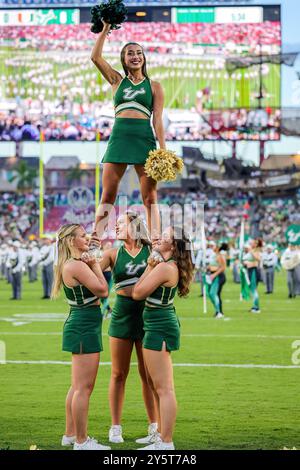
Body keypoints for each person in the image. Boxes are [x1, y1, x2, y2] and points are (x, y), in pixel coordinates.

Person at [91, 20, 165, 239]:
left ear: (144, 57)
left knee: (150, 197)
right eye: (130, 53)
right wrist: (105, 29)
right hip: (120, 138)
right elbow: (95, 58)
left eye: (139, 53)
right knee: (108, 195)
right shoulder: (116, 81)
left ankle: (156, 241)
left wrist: (163, 149)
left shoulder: (154, 86)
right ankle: (95, 239)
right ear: (124, 59)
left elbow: (158, 120)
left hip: (144, 140)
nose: (135, 56)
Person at [98, 211, 158, 445]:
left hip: (148, 314)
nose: (116, 227)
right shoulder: (112, 254)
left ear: (134, 227)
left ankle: (154, 426)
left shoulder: (151, 250)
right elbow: (92, 269)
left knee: (149, 375)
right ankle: (115, 426)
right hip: (122, 313)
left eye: (121, 224)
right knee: (118, 373)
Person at [132, 226, 194, 451]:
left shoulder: (165, 268)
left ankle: (166, 442)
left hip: (160, 326)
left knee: (164, 388)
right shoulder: (166, 266)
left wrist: (149, 267)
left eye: (164, 237)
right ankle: (160, 435)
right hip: (155, 324)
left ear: (173, 246)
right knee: (153, 383)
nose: (158, 238)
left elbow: (137, 293)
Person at [51, 224, 110, 451]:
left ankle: (70, 434)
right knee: (84, 388)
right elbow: (103, 290)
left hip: (83, 322)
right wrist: (95, 264)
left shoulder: (72, 263)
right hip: (84, 324)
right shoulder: (76, 265)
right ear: (70, 241)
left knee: (77, 386)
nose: (87, 239)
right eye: (82, 236)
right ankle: (82, 441)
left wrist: (92, 259)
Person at [205, 241, 226, 319]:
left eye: (212, 246)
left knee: (213, 293)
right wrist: (207, 268)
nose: (211, 247)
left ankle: (219, 312)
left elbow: (223, 267)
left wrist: (214, 274)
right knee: (211, 294)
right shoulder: (213, 255)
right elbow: (212, 265)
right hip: (212, 275)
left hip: (218, 276)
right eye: (210, 246)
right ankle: (218, 311)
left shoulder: (220, 256)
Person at [242, 240, 261, 313]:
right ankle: (254, 306)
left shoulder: (256, 251)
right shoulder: (251, 251)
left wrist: (252, 252)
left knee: (253, 289)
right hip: (249, 270)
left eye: (252, 243)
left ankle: (256, 308)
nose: (251, 244)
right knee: (252, 289)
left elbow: (258, 259)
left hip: (254, 271)